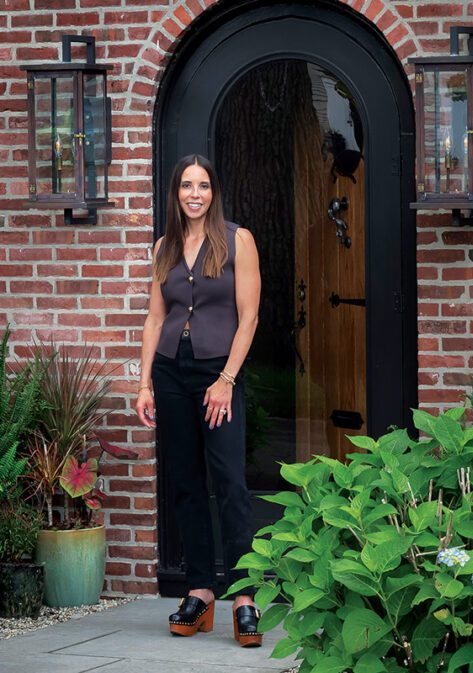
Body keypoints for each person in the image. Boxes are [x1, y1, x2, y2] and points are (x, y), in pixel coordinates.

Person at [135, 154, 263, 647]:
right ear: (176, 192)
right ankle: (200, 590)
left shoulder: (238, 239)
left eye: (203, 185)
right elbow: (154, 317)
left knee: (230, 481)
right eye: (186, 185)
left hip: (218, 374)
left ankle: (245, 596)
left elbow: (248, 317)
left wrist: (227, 378)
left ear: (214, 192)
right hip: (171, 372)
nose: (194, 193)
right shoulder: (164, 247)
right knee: (185, 483)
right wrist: (145, 383)